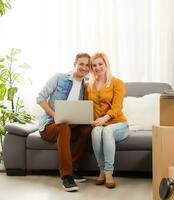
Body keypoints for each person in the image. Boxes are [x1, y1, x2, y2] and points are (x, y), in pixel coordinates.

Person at [36, 53, 92, 192]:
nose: (84, 68)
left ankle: (74, 167)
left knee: (86, 129)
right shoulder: (59, 78)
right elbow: (40, 98)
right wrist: (55, 115)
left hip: (70, 126)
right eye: (81, 64)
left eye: (87, 65)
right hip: (50, 125)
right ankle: (67, 176)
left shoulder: (86, 86)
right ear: (75, 64)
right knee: (64, 127)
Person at [84, 52, 129, 189]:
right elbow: (86, 106)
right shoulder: (88, 86)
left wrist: (104, 119)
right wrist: (90, 120)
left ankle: (109, 173)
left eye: (100, 64)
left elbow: (117, 107)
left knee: (107, 130)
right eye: (94, 65)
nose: (97, 67)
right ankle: (102, 170)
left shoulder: (117, 83)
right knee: (96, 132)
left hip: (118, 124)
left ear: (106, 64)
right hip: (99, 124)